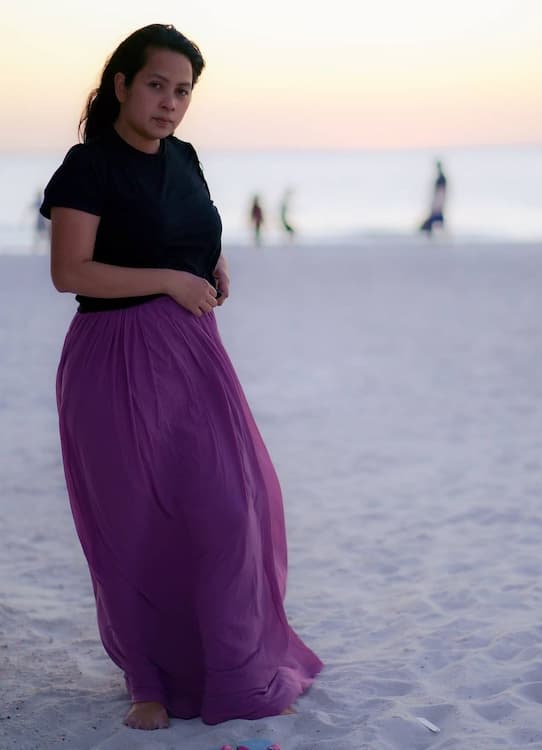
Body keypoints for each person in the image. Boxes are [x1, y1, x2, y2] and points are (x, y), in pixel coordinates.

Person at [40, 23, 322, 732]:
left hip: (195, 356)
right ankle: (148, 683)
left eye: (183, 91)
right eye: (158, 86)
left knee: (230, 510)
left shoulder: (185, 156)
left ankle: (228, 665)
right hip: (115, 359)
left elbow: (198, 227)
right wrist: (169, 277)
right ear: (122, 86)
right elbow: (69, 271)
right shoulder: (88, 166)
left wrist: (211, 262)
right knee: (133, 524)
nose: (170, 103)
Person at [419, 160, 447, 236]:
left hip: (438, 201)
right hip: (438, 201)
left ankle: (437, 234)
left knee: (436, 218)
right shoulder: (441, 178)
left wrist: (438, 202)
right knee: (437, 219)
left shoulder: (441, 178)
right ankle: (434, 234)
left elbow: (441, 192)